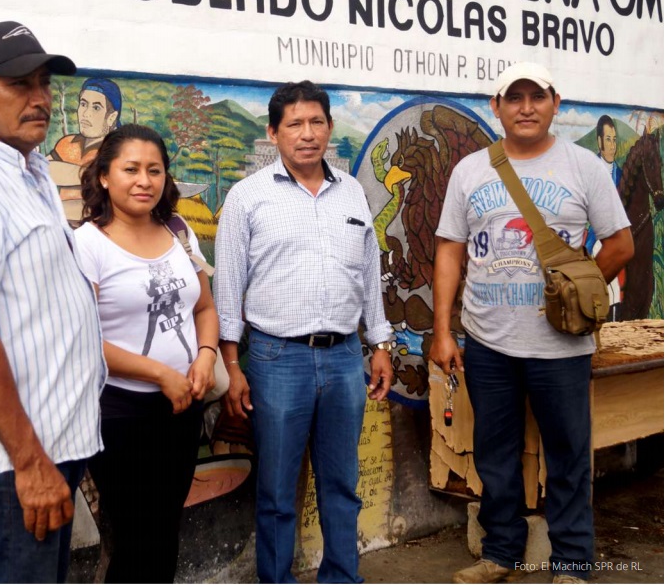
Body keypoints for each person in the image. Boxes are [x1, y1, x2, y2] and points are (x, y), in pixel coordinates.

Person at [430, 62, 634, 585]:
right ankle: (501, 553)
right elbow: (450, 251)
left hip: (562, 348)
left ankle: (571, 564)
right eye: (513, 98)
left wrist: (581, 291)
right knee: (495, 455)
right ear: (496, 107)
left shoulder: (583, 166)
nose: (525, 107)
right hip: (488, 342)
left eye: (536, 97)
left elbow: (621, 244)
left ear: (555, 103)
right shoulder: (470, 171)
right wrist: (443, 329)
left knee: (567, 456)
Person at [214, 80, 394, 584]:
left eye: (316, 122)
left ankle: (341, 576)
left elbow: (367, 274)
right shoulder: (248, 198)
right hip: (276, 361)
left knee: (342, 483)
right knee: (275, 491)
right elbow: (228, 290)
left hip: (342, 358)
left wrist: (379, 344)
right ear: (273, 133)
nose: (307, 134)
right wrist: (232, 366)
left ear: (330, 128)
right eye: (294, 124)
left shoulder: (352, 191)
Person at [74, 124, 219, 583]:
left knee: (166, 528)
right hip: (122, 411)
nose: (144, 180)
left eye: (154, 170)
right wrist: (159, 373)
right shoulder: (88, 245)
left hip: (182, 405)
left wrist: (206, 356)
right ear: (103, 177)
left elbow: (206, 307)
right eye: (130, 169)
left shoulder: (179, 232)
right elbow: (82, 338)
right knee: (137, 534)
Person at [0, 20, 106, 582]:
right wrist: (31, 462)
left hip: (50, 447)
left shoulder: (29, 170)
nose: (39, 98)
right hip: (16, 462)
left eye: (44, 83)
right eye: (18, 84)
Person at [49, 77, 122, 224]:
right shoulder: (66, 143)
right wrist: (92, 175)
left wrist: (63, 172)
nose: (85, 113)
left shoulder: (119, 148)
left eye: (96, 107)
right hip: (61, 228)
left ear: (112, 117)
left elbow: (106, 205)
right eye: (83, 104)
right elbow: (42, 171)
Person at [585, 115, 624, 319]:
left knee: (615, 288)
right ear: (599, 142)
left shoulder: (620, 173)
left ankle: (613, 324)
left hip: (616, 236)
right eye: (608, 139)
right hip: (594, 236)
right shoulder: (589, 169)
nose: (612, 145)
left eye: (614, 139)